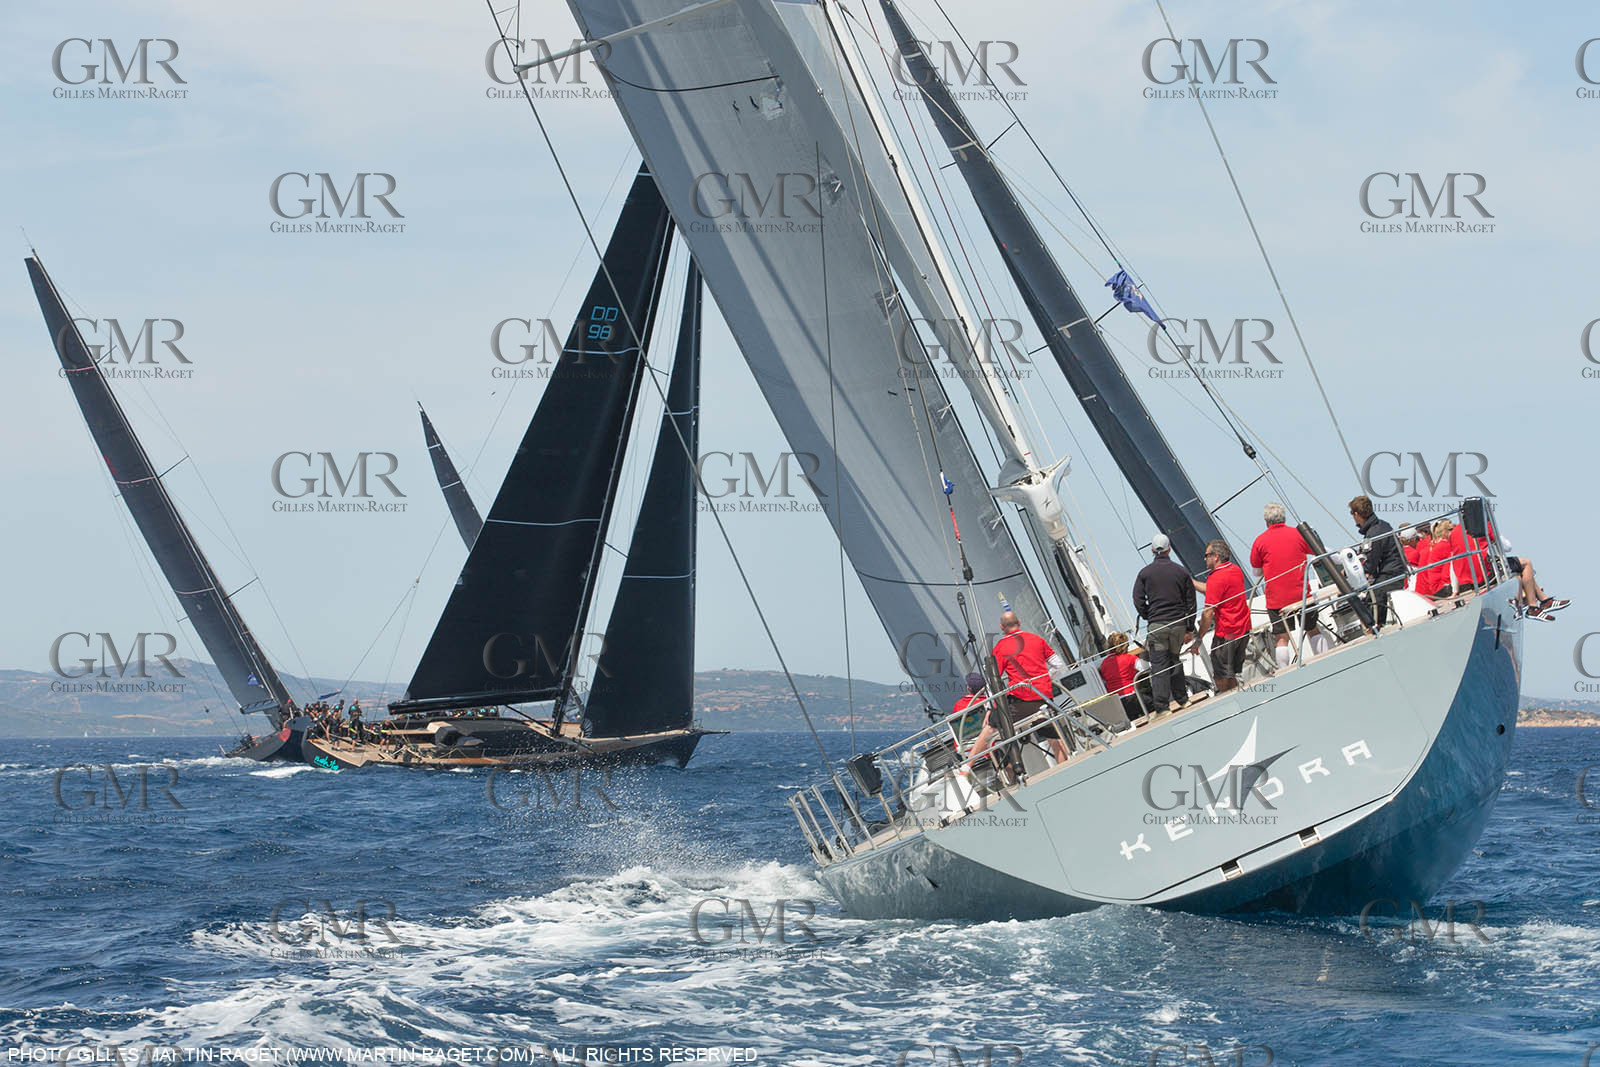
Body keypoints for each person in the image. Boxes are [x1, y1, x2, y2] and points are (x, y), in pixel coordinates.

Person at [991, 611, 1071, 762]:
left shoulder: (1000, 648)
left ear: (1002, 627)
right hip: (1043, 697)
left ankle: (968, 765)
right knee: (1055, 739)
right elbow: (1058, 665)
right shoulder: (1036, 639)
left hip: (1021, 700)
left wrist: (992, 707)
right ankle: (1066, 765)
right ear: (1019, 622)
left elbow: (994, 679)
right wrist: (1045, 679)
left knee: (992, 726)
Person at [1132, 533, 1196, 711]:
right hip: (1178, 624)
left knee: (1159, 665)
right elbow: (1191, 602)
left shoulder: (1144, 574)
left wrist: (1148, 615)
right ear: (1169, 549)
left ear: (1152, 550)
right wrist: (1189, 627)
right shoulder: (1181, 571)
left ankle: (1162, 708)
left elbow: (1137, 600)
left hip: (1157, 626)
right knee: (1174, 659)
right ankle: (1183, 700)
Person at [1250, 502, 1314, 669]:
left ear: (1266, 521)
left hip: (1277, 600)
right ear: (1284, 518)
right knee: (1313, 630)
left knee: (1281, 638)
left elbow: (1256, 572)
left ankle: (1285, 671)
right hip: (1302, 595)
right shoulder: (1298, 534)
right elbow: (1318, 550)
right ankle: (1325, 657)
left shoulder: (1259, 541)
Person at [1189, 539, 1252, 693]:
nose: (1204, 558)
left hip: (1226, 634)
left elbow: (1208, 612)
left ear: (1215, 556)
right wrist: (1192, 583)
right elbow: (1215, 589)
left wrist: (1199, 638)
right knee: (1231, 674)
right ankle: (1239, 699)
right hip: (1243, 630)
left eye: (1206, 555)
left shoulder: (1216, 578)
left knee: (1221, 678)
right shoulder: (1235, 570)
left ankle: (1232, 702)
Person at [1350, 496, 1406, 629]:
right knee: (1370, 596)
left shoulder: (1373, 533)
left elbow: (1369, 564)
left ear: (1356, 514)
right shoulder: (1382, 525)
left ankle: (1375, 629)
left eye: (1352, 513)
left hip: (1391, 574)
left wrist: (1350, 573)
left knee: (1372, 600)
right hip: (1395, 570)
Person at [1098, 632, 1148, 724]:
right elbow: (1146, 668)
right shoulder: (1129, 658)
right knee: (1154, 703)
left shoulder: (1104, 664)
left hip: (1117, 703)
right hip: (1132, 697)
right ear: (1125, 645)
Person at [951, 672, 998, 760]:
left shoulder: (959, 705)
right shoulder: (991, 701)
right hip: (990, 748)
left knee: (952, 762)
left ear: (969, 689)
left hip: (967, 752)